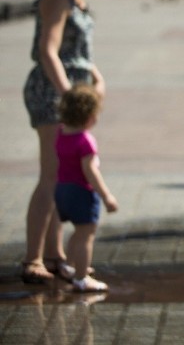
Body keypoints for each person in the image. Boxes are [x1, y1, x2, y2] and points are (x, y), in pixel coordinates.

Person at [22, 0, 106, 285]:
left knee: (64, 175)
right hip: (52, 91)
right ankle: (32, 259)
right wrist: (69, 93)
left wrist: (96, 78)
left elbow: (79, 53)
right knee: (51, 174)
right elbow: (48, 51)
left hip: (75, 90)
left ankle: (56, 256)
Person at [54, 84, 118, 292]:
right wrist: (106, 196)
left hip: (62, 190)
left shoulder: (61, 134)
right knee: (86, 235)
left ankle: (72, 267)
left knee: (77, 232)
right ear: (90, 115)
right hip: (81, 191)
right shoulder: (85, 141)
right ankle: (81, 279)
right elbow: (90, 171)